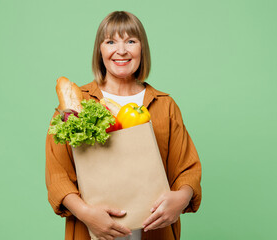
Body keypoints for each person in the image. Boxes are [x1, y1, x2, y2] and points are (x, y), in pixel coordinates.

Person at [45, 11, 202, 240]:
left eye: (131, 41)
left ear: (142, 49)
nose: (121, 50)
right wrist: (86, 213)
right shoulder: (75, 105)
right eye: (110, 42)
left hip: (153, 231)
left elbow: (187, 168)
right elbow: (57, 174)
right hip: (91, 232)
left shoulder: (164, 105)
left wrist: (181, 198)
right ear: (100, 50)